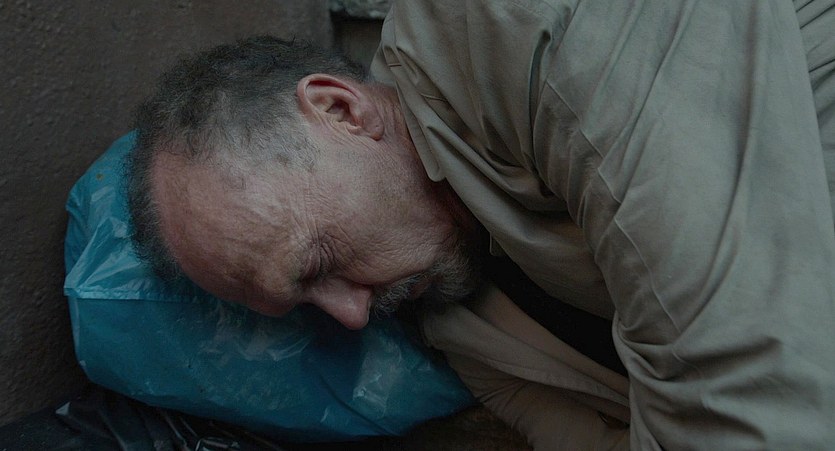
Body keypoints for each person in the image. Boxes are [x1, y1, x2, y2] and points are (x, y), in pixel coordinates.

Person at [127, 0, 835, 449]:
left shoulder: (507, 23)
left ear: (340, 111)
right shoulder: (471, 342)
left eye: (315, 265)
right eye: (305, 306)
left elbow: (749, 379)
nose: (350, 315)